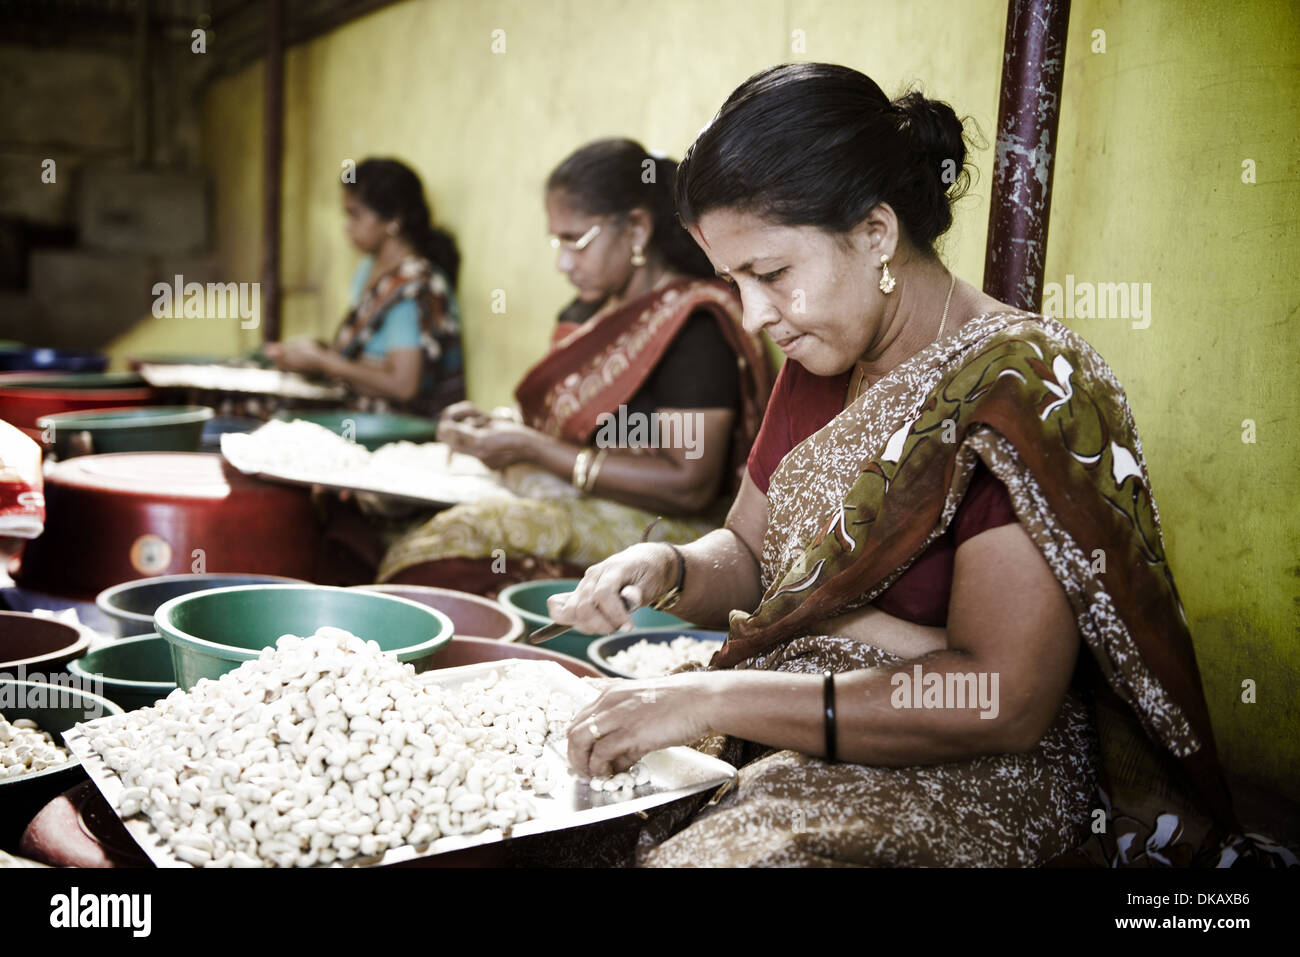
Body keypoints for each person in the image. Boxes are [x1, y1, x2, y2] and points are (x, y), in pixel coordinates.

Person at [544, 63, 1267, 868]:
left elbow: (995, 695)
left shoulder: (1020, 389)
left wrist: (711, 695)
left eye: (772, 274)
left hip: (972, 767)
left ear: (877, 232)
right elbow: (749, 556)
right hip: (781, 708)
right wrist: (670, 564)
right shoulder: (817, 359)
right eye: (732, 281)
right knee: (565, 808)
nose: (754, 314)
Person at [372, 139, 773, 594]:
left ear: (637, 229)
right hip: (569, 492)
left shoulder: (693, 325)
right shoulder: (586, 315)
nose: (563, 263)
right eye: (556, 240)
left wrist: (533, 449)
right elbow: (568, 427)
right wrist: (497, 428)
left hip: (667, 529)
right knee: (377, 501)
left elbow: (688, 485)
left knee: (448, 547)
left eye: (575, 241)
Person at [265, 158, 464, 417]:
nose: (347, 227)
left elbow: (403, 386)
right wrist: (314, 354)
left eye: (355, 214)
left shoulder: (416, 288)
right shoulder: (368, 271)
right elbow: (365, 358)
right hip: (360, 403)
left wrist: (325, 362)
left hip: (396, 421)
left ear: (394, 219)